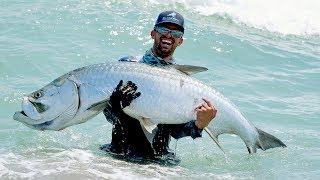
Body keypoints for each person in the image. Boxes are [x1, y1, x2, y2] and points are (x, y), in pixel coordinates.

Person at [100, 11, 217, 164]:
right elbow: (110, 116)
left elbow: (176, 130)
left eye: (175, 32)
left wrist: (200, 123)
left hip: (158, 163)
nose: (168, 35)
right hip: (118, 154)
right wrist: (115, 105)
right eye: (163, 30)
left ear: (180, 41)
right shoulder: (127, 66)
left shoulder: (183, 81)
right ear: (153, 33)